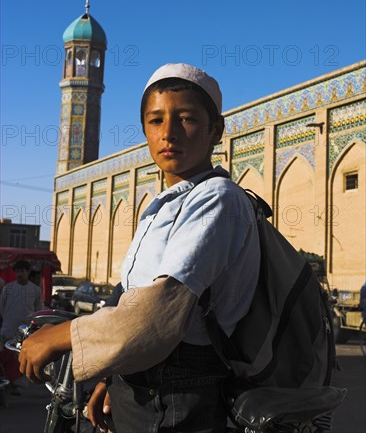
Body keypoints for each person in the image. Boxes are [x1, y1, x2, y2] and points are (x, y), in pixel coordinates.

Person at [19, 63, 261, 432]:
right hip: (147, 385)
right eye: (155, 120)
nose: (169, 133)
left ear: (216, 130)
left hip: (177, 396)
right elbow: (131, 297)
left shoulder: (218, 198)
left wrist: (59, 336)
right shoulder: (166, 203)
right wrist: (112, 376)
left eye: (187, 119)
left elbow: (155, 314)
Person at [0, 260, 42, 394]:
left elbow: (37, 310)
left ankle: (16, 385)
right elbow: (1, 307)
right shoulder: (8, 288)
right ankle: (7, 383)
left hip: (25, 331)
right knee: (5, 357)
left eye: (22, 271)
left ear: (28, 272)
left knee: (21, 358)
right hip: (7, 328)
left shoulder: (35, 290)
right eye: (17, 271)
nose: (19, 274)